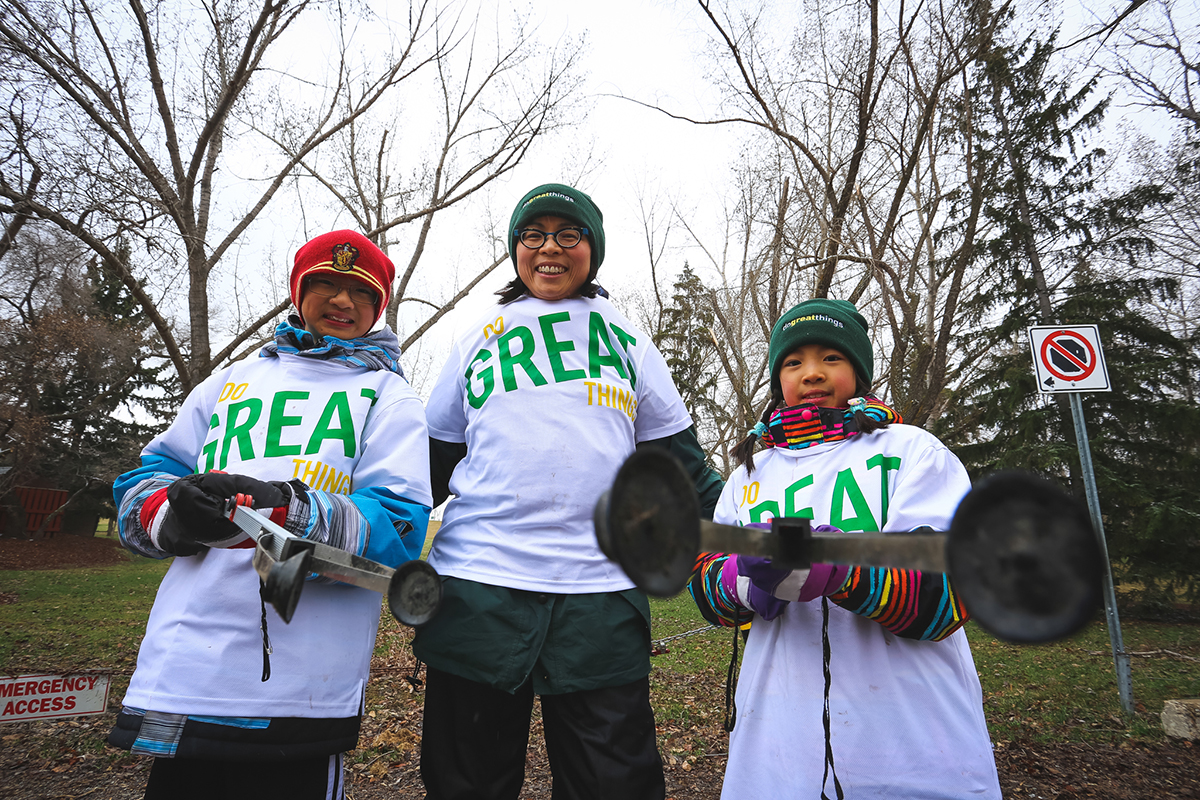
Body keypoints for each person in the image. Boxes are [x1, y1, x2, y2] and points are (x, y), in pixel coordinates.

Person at [415, 183, 723, 800]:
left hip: (599, 594)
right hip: (478, 588)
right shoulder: (480, 337)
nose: (549, 248)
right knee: (466, 780)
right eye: (534, 235)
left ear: (593, 250)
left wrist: (753, 527)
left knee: (614, 783)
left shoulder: (627, 338)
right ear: (515, 249)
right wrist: (353, 525)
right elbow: (427, 465)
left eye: (568, 235)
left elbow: (681, 465)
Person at [107, 230, 433, 800]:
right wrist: (173, 514)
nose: (341, 301)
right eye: (325, 284)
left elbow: (400, 530)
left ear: (379, 306)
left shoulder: (387, 396)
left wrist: (286, 508)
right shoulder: (230, 381)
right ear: (297, 294)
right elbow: (147, 474)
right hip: (185, 665)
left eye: (360, 291)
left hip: (300, 679)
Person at [689, 298, 1002, 799]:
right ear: (778, 382)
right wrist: (742, 578)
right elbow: (706, 588)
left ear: (858, 371)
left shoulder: (911, 452)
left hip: (911, 741)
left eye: (831, 358)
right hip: (777, 748)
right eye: (793, 362)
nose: (811, 373)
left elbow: (952, 592)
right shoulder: (751, 473)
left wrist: (844, 571)